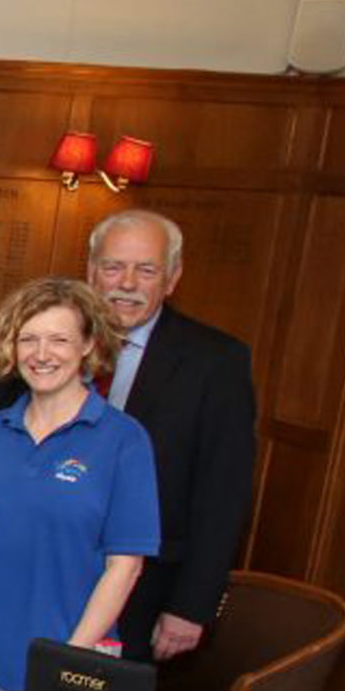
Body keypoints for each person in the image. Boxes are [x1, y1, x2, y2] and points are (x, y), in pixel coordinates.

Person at [0, 278, 159, 691]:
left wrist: (69, 660)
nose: (42, 354)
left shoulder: (124, 439)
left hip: (66, 659)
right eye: (28, 339)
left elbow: (125, 568)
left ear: (88, 344)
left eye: (59, 339)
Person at [87, 209, 258, 664]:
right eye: (113, 267)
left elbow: (224, 492)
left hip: (151, 585)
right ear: (91, 272)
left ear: (172, 278)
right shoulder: (53, 342)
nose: (126, 283)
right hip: (55, 567)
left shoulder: (216, 362)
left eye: (146, 270)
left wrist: (191, 605)